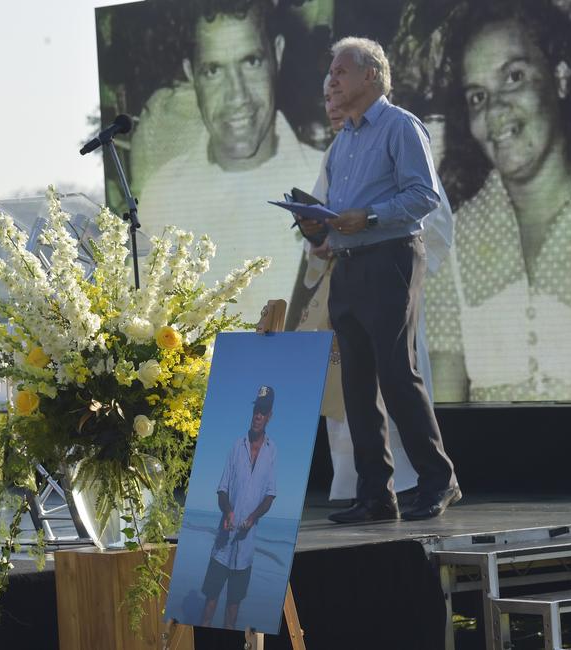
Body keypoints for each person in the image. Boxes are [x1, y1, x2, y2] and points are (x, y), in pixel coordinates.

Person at [425, 0, 571, 403]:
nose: (494, 109)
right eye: (477, 96)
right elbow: (444, 414)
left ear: (560, 78)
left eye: (514, 76)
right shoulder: (452, 241)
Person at [299, 37, 459, 523]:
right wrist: (317, 228)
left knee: (396, 375)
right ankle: (376, 495)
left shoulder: (400, 126)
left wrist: (366, 219)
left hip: (389, 259)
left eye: (340, 71)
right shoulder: (343, 139)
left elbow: (423, 197)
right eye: (330, 72)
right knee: (357, 384)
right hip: (347, 267)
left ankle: (438, 479)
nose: (331, 79)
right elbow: (339, 216)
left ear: (371, 75)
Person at [136, 0, 323, 323]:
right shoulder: (160, 195)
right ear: (190, 74)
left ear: (277, 55)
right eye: (213, 70)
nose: (237, 95)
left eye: (250, 61)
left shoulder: (327, 181)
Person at [200, 385, 277, 629]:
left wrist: (253, 517)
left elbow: (270, 495)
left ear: (269, 416)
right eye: (256, 410)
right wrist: (228, 511)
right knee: (209, 605)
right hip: (222, 546)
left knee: (233, 610)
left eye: (263, 412)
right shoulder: (236, 446)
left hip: (245, 552)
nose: (258, 416)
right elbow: (222, 490)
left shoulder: (272, 452)